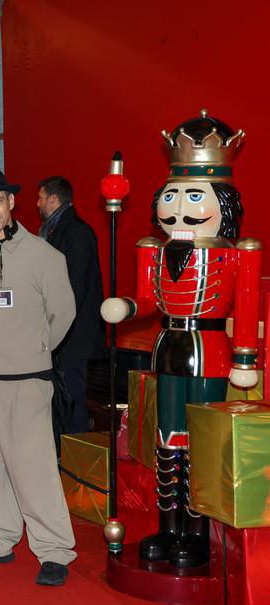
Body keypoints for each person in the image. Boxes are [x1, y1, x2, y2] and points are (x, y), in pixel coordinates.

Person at [101, 111, 257, 568]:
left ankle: (200, 532)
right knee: (168, 438)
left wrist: (244, 357)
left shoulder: (239, 254)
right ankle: (169, 527)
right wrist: (126, 306)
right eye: (172, 195)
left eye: (194, 195)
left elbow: (246, 307)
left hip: (212, 353)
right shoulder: (153, 250)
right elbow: (148, 299)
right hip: (167, 349)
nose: (180, 206)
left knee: (203, 440)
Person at [0, 168, 76, 586]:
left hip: (27, 379)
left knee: (34, 469)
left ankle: (54, 549)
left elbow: (63, 315)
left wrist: (34, 351)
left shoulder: (45, 256)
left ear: (11, 203)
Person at [35, 176, 106, 435]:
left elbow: (76, 286)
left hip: (73, 333)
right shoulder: (54, 230)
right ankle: (61, 447)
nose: (38, 204)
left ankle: (76, 451)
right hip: (59, 331)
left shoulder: (77, 232)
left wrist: (55, 322)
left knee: (73, 397)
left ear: (54, 199)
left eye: (41, 198)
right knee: (60, 398)